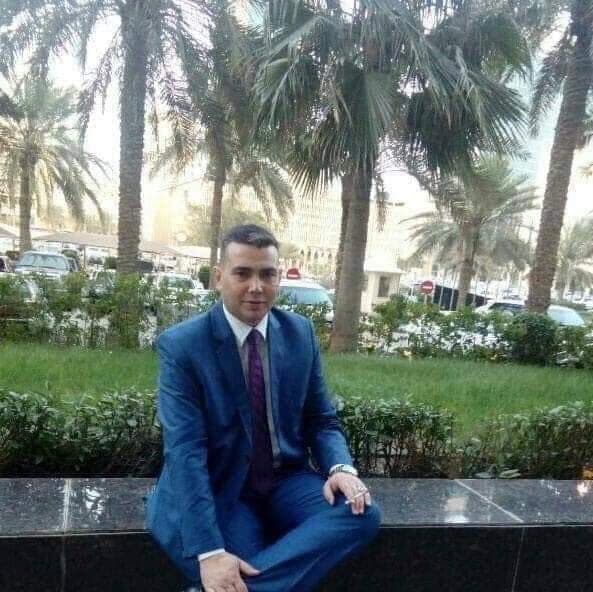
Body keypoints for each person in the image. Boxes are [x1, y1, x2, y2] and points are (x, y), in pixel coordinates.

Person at [145, 224, 381, 592]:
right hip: (224, 487)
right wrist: (210, 552)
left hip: (286, 480)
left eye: (267, 274)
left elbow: (321, 419)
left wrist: (340, 468)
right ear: (219, 277)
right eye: (242, 273)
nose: (256, 286)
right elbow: (185, 451)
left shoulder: (299, 334)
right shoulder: (183, 346)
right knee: (245, 565)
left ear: (278, 279)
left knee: (360, 512)